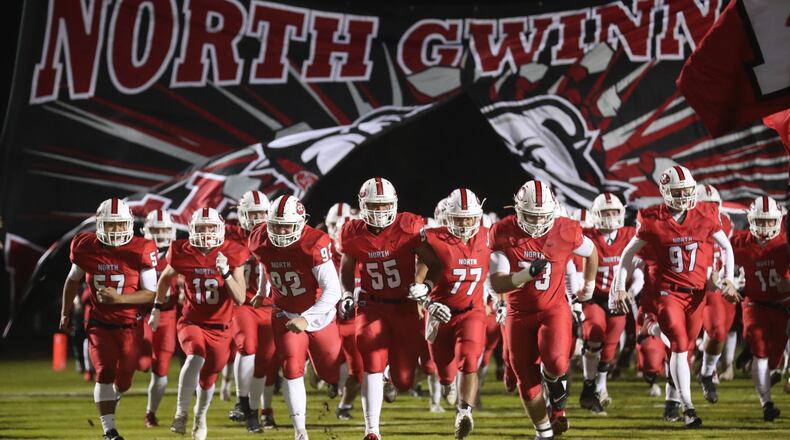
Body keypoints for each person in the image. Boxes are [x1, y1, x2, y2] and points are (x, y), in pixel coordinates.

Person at [613, 165, 738, 428]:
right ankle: (689, 408)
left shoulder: (704, 213)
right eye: (678, 191)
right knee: (680, 344)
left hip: (696, 295)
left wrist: (728, 278)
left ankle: (671, 389)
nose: (683, 196)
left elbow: (726, 246)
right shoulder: (653, 219)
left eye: (687, 191)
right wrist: (619, 286)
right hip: (666, 293)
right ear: (665, 192)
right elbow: (626, 254)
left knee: (685, 347)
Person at [489, 180, 598, 439]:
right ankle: (544, 431)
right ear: (518, 210)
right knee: (526, 383)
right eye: (531, 216)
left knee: (557, 363)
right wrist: (525, 275)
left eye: (543, 216)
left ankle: (556, 398)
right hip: (518, 313)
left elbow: (591, 253)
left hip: (553, 308)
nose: (537, 222)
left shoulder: (566, 229)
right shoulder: (503, 231)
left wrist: (589, 284)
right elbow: (497, 280)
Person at [338, 177, 443, 440]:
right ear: (362, 205)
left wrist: (427, 287)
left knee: (405, 379)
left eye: (384, 205)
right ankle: (371, 430)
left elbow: (436, 263)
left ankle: (390, 378)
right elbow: (347, 267)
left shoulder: (408, 227)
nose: (379, 211)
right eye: (373, 205)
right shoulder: (352, 231)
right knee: (371, 362)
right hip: (372, 305)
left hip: (406, 308)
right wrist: (347, 293)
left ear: (394, 204)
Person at [59, 198, 158, 440]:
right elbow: (73, 280)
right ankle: (109, 431)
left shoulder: (141, 248)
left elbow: (151, 293)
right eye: (109, 225)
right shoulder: (86, 246)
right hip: (98, 324)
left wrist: (119, 299)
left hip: (130, 325)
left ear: (129, 224)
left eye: (119, 224)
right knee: (103, 372)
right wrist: (64, 313)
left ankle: (114, 397)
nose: (114, 230)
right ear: (99, 225)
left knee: (123, 381)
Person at [248, 195, 344, 440]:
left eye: (286, 226)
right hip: (284, 312)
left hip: (319, 314)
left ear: (301, 223)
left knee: (331, 373)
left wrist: (307, 318)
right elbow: (264, 263)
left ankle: (320, 369)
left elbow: (333, 290)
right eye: (276, 225)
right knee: (291, 367)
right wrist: (262, 291)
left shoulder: (313, 243)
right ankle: (300, 431)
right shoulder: (260, 238)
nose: (280, 231)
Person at [148, 207, 248, 440]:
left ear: (220, 229)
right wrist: (156, 307)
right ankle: (181, 413)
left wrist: (225, 273)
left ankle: (199, 416)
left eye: (210, 227)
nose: (205, 233)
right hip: (191, 322)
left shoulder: (233, 254)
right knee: (195, 355)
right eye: (201, 228)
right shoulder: (183, 251)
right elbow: (164, 280)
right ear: (192, 230)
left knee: (208, 380)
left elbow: (240, 297)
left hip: (221, 328)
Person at [418, 188, 490, 439]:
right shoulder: (432, 238)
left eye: (470, 218)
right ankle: (448, 386)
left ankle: (465, 412)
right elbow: (416, 282)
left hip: (472, 312)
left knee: (470, 360)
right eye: (459, 218)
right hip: (439, 313)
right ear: (448, 217)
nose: (465, 223)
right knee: (445, 373)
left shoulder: (488, 236)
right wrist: (427, 303)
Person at [579, 193, 639, 414]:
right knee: (594, 334)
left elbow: (640, 268)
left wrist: (632, 291)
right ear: (596, 215)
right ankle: (589, 384)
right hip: (593, 297)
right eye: (606, 212)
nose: (611, 216)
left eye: (614, 212)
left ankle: (600, 387)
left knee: (611, 347)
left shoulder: (630, 235)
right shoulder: (586, 236)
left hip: (617, 298)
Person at [731, 195, 789, 421]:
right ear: (751, 220)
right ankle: (767, 404)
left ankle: (766, 369)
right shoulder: (740, 243)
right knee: (760, 349)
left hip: (783, 306)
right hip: (754, 304)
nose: (765, 227)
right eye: (760, 222)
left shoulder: (785, 243)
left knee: (773, 359)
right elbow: (718, 255)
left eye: (769, 221)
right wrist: (726, 280)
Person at [226, 190, 272, 433]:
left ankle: (252, 411)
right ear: (241, 215)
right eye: (252, 214)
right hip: (244, 303)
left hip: (271, 305)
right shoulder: (230, 236)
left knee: (263, 363)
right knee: (248, 346)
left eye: (261, 213)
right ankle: (241, 401)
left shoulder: (279, 231)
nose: (256, 218)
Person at [695, 184, 735, 400]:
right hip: (688, 287)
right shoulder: (687, 222)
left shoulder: (725, 221)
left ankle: (706, 373)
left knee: (719, 332)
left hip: (713, 287)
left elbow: (728, 250)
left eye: (713, 205)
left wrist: (729, 278)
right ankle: (672, 399)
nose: (710, 210)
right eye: (705, 205)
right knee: (678, 341)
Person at [140, 209, 179, 428]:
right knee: (142, 361)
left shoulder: (179, 252)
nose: (161, 234)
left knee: (161, 368)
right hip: (144, 313)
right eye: (156, 229)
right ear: (147, 231)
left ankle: (150, 413)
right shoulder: (139, 250)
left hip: (168, 315)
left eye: (165, 229)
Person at [326, 202, 364, 420]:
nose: (335, 233)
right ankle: (329, 377)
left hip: (355, 318)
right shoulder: (324, 250)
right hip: (331, 318)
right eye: (332, 226)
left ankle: (345, 405)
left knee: (358, 369)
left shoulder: (364, 249)